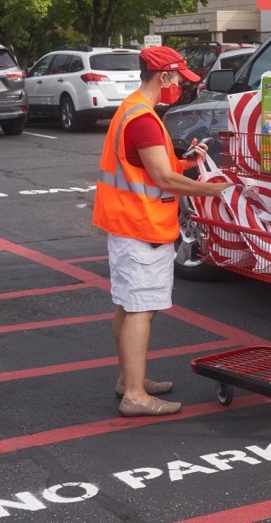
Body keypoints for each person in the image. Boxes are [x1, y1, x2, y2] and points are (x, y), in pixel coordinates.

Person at [93, 45, 229, 417]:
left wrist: (189, 162)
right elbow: (162, 178)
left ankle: (129, 380)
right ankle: (135, 396)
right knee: (141, 309)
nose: (182, 87)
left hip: (127, 223)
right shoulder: (144, 119)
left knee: (128, 305)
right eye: (180, 79)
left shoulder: (133, 110)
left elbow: (153, 167)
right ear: (163, 77)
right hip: (142, 227)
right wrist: (213, 189)